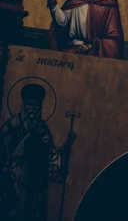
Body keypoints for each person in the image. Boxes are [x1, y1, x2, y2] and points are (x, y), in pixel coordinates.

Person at [0, 83, 74, 221]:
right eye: (30, 105)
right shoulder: (10, 128)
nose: (33, 110)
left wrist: (66, 148)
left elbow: (52, 160)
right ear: (23, 107)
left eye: (37, 107)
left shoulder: (42, 130)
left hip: (35, 189)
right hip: (14, 187)